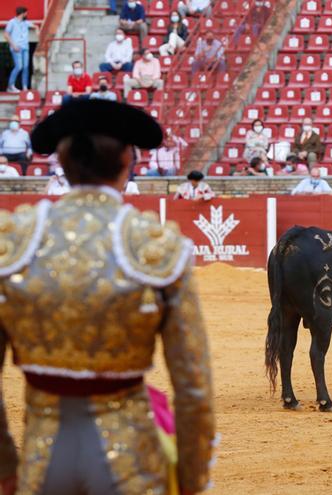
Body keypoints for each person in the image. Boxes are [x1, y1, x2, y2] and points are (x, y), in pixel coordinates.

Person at [0, 99, 215, 494]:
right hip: (129, 458)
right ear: (126, 160)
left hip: (42, 459)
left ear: (61, 163)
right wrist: (192, 477)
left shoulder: (13, 243)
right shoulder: (156, 246)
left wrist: (5, 468)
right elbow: (193, 385)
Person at [4, 6, 33, 92]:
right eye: (26, 13)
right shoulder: (11, 22)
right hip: (16, 47)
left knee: (26, 67)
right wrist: (13, 45)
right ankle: (10, 86)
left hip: (25, 47)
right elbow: (6, 34)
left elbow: (34, 26)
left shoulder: (26, 22)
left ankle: (24, 87)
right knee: (19, 66)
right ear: (22, 13)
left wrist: (37, 29)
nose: (27, 14)